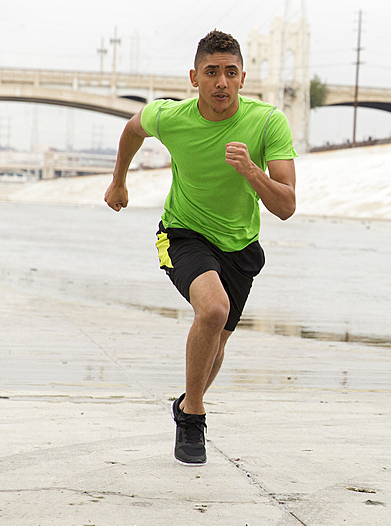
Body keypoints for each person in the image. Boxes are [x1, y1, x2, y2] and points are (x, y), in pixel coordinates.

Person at [104, 29, 297, 465]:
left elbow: (286, 206)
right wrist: (119, 180)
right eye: (212, 72)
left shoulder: (268, 122)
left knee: (217, 344)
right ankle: (193, 418)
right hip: (183, 233)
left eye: (231, 72)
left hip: (241, 245)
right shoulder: (171, 117)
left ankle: (187, 401)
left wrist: (252, 171)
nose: (221, 83)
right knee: (212, 310)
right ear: (194, 77)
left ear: (244, 78)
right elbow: (132, 129)